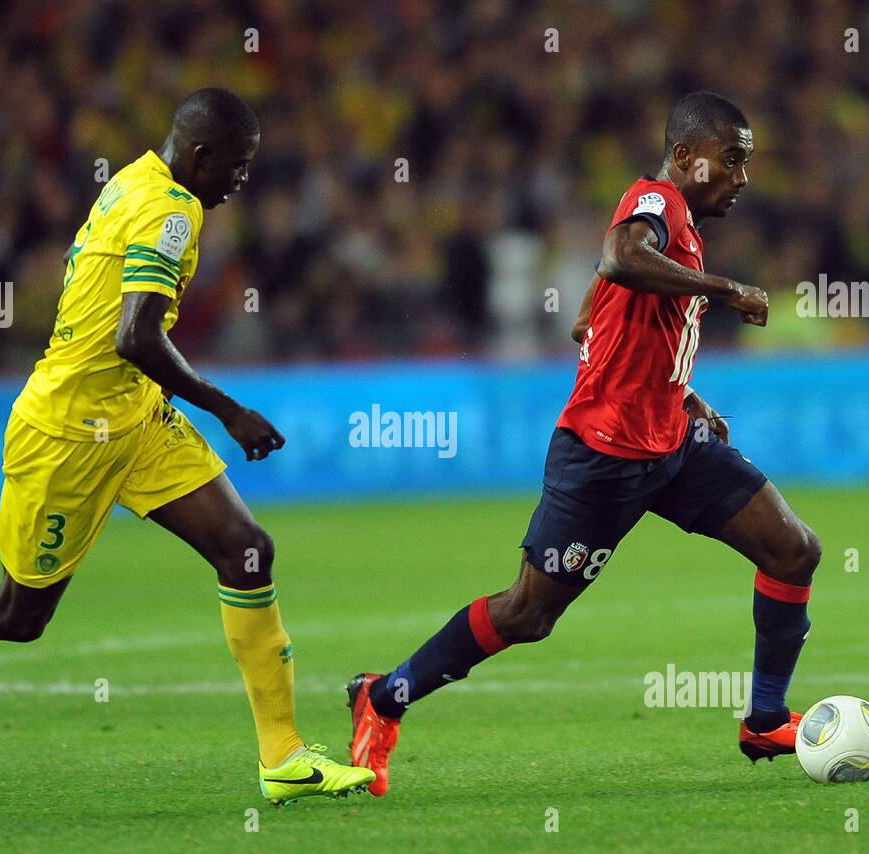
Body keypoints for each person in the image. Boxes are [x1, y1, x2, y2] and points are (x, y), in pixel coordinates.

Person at [0, 88, 374, 806]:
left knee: (247, 551)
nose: (241, 182)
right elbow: (135, 335)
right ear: (202, 155)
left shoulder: (133, 180)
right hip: (66, 435)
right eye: (237, 167)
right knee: (15, 616)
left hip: (135, 418)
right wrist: (228, 410)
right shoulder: (171, 209)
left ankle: (283, 756)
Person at [347, 92, 821, 796]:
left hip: (672, 442)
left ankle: (765, 719)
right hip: (604, 456)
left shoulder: (681, 222)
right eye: (732, 160)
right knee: (528, 614)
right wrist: (726, 290)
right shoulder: (653, 201)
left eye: (747, 163)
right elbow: (621, 259)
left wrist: (681, 391)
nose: (742, 177)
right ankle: (383, 697)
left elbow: (589, 322)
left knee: (794, 548)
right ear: (689, 159)